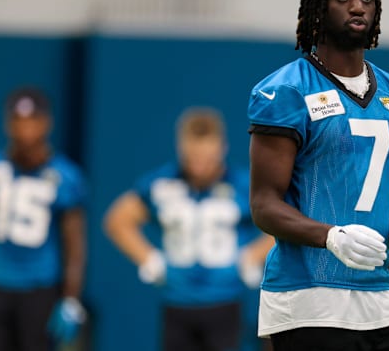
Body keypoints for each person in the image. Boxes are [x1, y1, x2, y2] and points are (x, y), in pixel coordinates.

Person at [247, 0, 389, 351]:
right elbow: (263, 204)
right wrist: (330, 236)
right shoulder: (287, 91)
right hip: (307, 295)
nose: (357, 5)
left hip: (378, 294)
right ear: (318, 8)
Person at [105, 108, 273, 351]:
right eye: (192, 158)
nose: (199, 167)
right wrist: (149, 258)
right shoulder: (163, 183)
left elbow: (281, 222)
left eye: (207, 158)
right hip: (177, 300)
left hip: (224, 300)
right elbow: (118, 220)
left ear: (222, 148)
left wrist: (252, 256)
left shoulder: (243, 184)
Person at [0, 87, 87, 351]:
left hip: (39, 289)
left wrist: (70, 299)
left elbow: (74, 243)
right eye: (18, 121)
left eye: (32, 121)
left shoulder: (64, 176)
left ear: (46, 123)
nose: (26, 130)